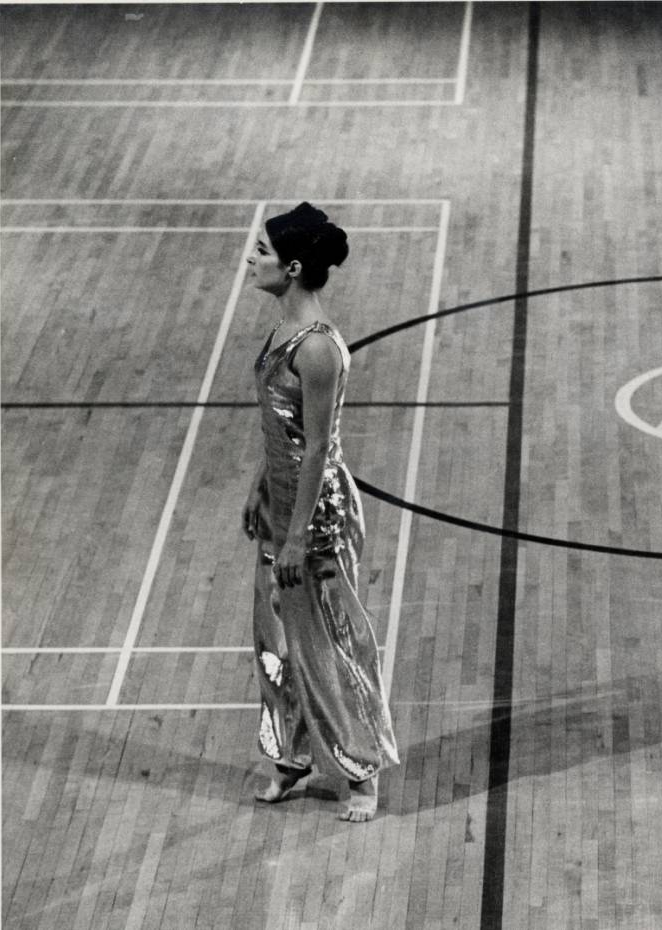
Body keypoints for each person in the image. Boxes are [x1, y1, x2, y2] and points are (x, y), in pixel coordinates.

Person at [242, 202, 398, 822]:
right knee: (275, 638)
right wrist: (261, 487)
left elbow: (319, 448)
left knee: (331, 643)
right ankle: (292, 756)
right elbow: (281, 433)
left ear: (294, 266)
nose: (252, 259)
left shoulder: (318, 351)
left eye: (262, 251)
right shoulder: (282, 330)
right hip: (280, 506)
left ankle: (363, 771)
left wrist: (299, 535)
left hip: (316, 517)